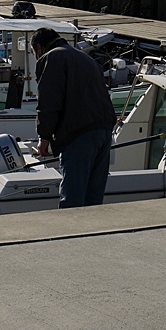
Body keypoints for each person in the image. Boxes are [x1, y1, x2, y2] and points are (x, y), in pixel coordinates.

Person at [31, 26, 116, 209]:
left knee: (72, 200)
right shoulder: (86, 58)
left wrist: (44, 137)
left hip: (79, 134)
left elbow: (48, 101)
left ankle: (69, 229)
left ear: (38, 48)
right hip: (104, 130)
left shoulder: (51, 58)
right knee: (93, 199)